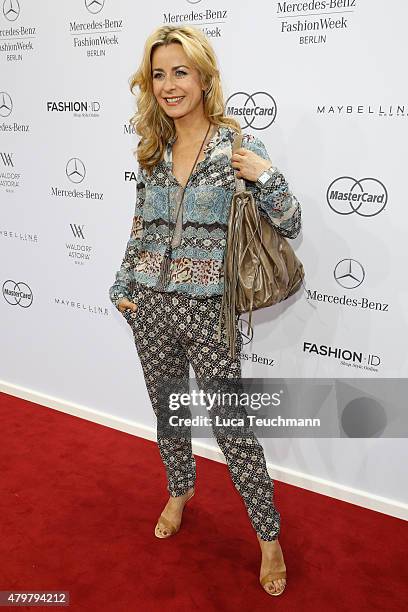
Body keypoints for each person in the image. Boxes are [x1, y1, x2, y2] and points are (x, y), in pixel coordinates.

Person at [109, 25, 301, 597]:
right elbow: (141, 227)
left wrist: (263, 176)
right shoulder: (151, 147)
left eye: (181, 72)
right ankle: (180, 489)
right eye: (160, 74)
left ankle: (269, 538)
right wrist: (123, 287)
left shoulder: (236, 147)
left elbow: (289, 222)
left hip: (209, 314)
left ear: (205, 77)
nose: (169, 85)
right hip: (149, 306)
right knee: (169, 414)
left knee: (233, 429)